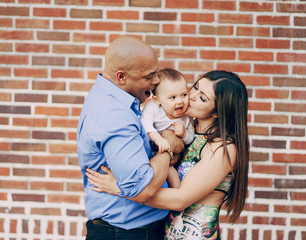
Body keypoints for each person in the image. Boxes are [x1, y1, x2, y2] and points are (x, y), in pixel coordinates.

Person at [86, 70, 250, 239]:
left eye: (202, 98)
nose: (191, 96)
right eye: (195, 87)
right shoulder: (189, 133)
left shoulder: (222, 148)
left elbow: (180, 199)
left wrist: (122, 188)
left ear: (217, 112)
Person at [77, 36, 184, 240]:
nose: (157, 81)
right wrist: (168, 144)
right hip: (127, 233)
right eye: (149, 76)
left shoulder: (110, 98)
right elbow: (143, 188)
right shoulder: (114, 114)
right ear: (121, 77)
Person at [141, 68, 194, 156]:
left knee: (172, 170)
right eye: (173, 97)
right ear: (157, 100)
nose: (180, 101)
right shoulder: (154, 107)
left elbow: (191, 138)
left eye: (184, 95)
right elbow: (144, 123)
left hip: (172, 153)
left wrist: (184, 134)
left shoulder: (186, 115)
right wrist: (158, 139)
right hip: (148, 149)